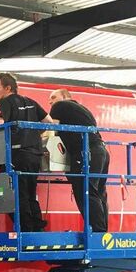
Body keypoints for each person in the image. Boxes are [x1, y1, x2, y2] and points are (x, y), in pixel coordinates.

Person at [0, 73, 53, 232]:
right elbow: (49, 122)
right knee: (29, 193)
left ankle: (26, 230)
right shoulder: (31, 102)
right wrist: (34, 137)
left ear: (7, 88)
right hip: (35, 156)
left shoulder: (6, 102)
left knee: (11, 195)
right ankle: (36, 228)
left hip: (15, 155)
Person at [48, 88, 110, 232]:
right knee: (98, 192)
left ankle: (97, 233)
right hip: (101, 151)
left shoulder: (60, 106)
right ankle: (102, 234)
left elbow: (51, 129)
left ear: (65, 97)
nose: (50, 101)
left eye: (53, 97)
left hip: (86, 152)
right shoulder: (83, 109)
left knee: (85, 192)